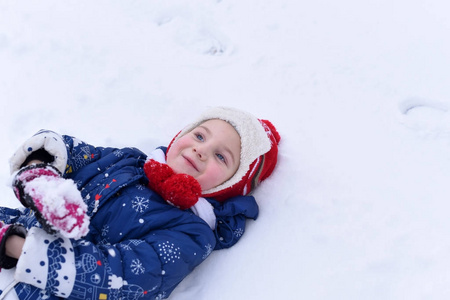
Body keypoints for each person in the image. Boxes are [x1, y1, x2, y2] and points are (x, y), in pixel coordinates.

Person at [0, 106, 280, 300]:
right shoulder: (130, 160)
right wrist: (39, 173)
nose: (201, 149)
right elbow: (70, 152)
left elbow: (116, 280)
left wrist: (13, 244)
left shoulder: (190, 233)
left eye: (222, 157)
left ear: (231, 185)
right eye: (199, 135)